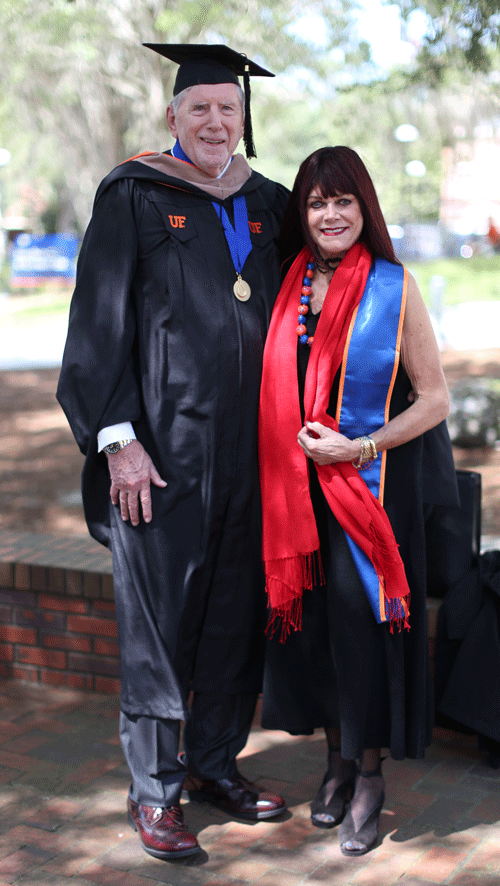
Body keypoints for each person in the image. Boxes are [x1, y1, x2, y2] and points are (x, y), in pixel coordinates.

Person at [57, 43, 289, 861]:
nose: (216, 121)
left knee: (234, 613)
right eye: (201, 108)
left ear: (244, 117)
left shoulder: (269, 202)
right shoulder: (135, 194)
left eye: (229, 108)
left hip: (255, 458)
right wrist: (118, 442)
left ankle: (217, 764)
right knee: (158, 624)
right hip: (160, 456)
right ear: (173, 117)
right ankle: (153, 792)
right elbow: (96, 325)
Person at [258, 146, 450, 856]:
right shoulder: (287, 285)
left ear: (364, 207)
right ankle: (336, 761)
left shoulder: (394, 288)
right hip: (297, 494)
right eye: (316, 202)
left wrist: (361, 449)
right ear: (301, 215)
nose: (330, 214)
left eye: (343, 200)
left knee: (363, 634)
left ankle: (369, 774)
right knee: (319, 635)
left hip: (368, 491)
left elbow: (434, 400)